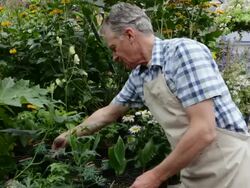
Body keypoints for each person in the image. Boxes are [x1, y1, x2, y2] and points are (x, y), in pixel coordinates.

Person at [52, 2, 250, 188]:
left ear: (130, 35)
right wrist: (70, 135)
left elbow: (204, 130)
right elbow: (109, 113)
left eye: (114, 48)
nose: (114, 56)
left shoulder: (183, 53)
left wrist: (155, 175)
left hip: (231, 168)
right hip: (195, 172)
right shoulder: (140, 75)